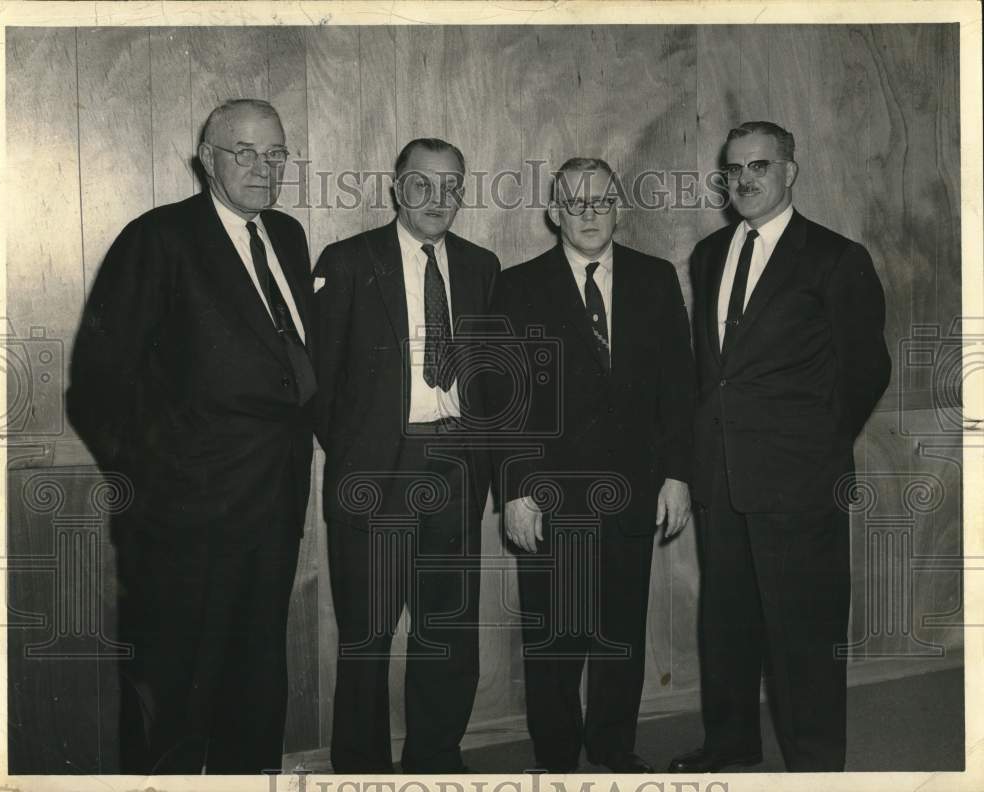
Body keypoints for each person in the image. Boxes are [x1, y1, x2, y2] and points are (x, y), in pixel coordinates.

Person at [66, 99, 316, 774]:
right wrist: (160, 486)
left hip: (272, 509)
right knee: (172, 699)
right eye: (244, 152)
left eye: (276, 154)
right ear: (207, 159)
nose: (263, 168)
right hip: (182, 524)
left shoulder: (287, 236)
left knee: (254, 690)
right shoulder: (159, 239)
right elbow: (95, 387)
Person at [669, 121, 891, 773]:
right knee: (727, 627)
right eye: (734, 168)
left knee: (803, 635)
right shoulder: (710, 253)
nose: (745, 178)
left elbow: (865, 370)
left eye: (759, 165)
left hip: (799, 482)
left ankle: (815, 766)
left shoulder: (835, 257)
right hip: (722, 479)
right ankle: (730, 746)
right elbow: (714, 371)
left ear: (790, 172)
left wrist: (814, 451)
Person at [489, 158, 696, 773]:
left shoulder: (655, 278)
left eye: (600, 201)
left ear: (619, 208)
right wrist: (517, 489)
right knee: (553, 640)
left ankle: (612, 748)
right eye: (574, 203)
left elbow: (677, 387)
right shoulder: (519, 284)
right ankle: (555, 758)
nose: (588, 213)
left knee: (620, 635)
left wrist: (678, 475)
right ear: (554, 212)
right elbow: (502, 398)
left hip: (633, 492)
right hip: (549, 496)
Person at [314, 138, 499, 773]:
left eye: (452, 185)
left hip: (455, 468)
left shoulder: (481, 265)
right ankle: (361, 769)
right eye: (423, 184)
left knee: (448, 631)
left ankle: (435, 759)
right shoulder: (348, 261)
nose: (438, 198)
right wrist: (359, 450)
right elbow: (320, 384)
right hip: (374, 472)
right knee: (367, 635)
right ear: (397, 189)